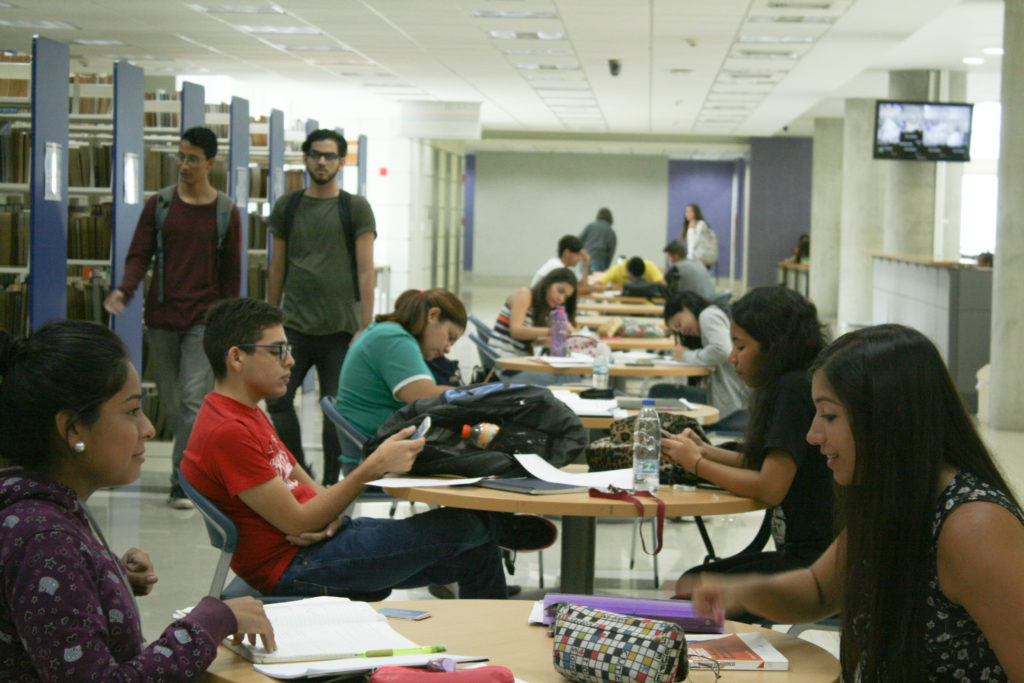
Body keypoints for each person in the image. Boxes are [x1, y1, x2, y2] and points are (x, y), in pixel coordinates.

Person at [686, 325, 1024, 681]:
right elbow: (817, 591)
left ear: (888, 418)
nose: (813, 435)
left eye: (829, 416)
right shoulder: (893, 498)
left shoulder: (974, 526)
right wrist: (738, 591)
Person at [184, 298, 554, 600]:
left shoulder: (247, 413)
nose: (291, 361)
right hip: (293, 568)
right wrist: (372, 467)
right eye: (277, 351)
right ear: (236, 357)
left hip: (320, 542)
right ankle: (496, 524)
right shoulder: (227, 430)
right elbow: (297, 521)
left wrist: (327, 519)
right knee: (463, 524)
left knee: (477, 551)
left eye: (289, 349)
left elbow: (305, 487)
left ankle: (490, 658)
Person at [0, 320, 273, 679]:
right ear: (74, 430)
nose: (148, 428)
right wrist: (208, 622)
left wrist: (106, 578)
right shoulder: (46, 540)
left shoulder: (41, 517)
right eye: (131, 411)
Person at [104, 125, 241, 509]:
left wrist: (228, 328)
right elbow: (139, 255)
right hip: (162, 319)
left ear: (209, 163)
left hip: (204, 321)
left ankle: (183, 483)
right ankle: (195, 473)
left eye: (192, 158)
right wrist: (125, 290)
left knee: (193, 402)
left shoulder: (226, 211)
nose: (183, 165)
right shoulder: (160, 205)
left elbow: (231, 277)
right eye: (180, 157)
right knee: (173, 401)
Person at [661, 286, 833, 588]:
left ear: (773, 346)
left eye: (740, 347)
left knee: (694, 587)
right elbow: (768, 466)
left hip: (814, 564)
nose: (731, 357)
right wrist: (705, 451)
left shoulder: (793, 391)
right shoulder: (797, 380)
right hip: (811, 555)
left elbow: (769, 488)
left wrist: (698, 464)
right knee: (692, 583)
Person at [265, 129, 376, 486]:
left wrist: (366, 325)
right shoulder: (288, 206)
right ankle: (300, 477)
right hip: (293, 326)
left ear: (342, 162)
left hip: (340, 330)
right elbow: (277, 267)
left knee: (334, 412)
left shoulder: (354, 207)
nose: (322, 162)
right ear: (306, 159)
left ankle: (331, 484)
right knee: (278, 401)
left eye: (330, 156)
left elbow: (365, 269)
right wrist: (269, 321)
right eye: (316, 155)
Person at [336, 288, 470, 439]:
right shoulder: (394, 339)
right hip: (376, 448)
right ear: (433, 315)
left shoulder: (386, 330)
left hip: (377, 440)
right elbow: (426, 397)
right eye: (450, 337)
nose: (447, 349)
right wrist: (474, 394)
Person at [649, 292, 750, 432]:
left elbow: (722, 351)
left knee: (658, 393)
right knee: (659, 392)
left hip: (734, 409)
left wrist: (686, 355)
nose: (682, 331)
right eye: (677, 330)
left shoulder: (708, 315)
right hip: (739, 403)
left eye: (679, 324)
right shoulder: (714, 315)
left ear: (686, 307)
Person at [490, 268, 577, 359]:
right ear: (549, 283)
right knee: (567, 373)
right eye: (560, 291)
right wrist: (552, 331)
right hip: (505, 360)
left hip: (519, 360)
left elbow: (535, 340)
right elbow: (515, 331)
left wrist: (563, 339)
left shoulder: (545, 307)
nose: (561, 299)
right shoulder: (525, 294)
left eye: (566, 297)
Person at [579, 207, 617, 272]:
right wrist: (606, 267)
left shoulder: (590, 226)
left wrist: (580, 254)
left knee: (583, 279)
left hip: (585, 258)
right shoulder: (611, 232)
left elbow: (578, 240)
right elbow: (610, 252)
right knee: (595, 280)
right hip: (599, 260)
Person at [680, 203, 718, 267]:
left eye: (690, 211)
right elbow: (690, 246)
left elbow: (695, 242)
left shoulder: (701, 224)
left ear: (696, 213)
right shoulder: (689, 225)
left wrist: (691, 229)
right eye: (686, 211)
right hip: (694, 257)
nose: (687, 214)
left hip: (703, 256)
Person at [599, 255, 665, 289]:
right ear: (628, 273)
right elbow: (598, 284)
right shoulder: (617, 270)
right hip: (622, 305)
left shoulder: (649, 266)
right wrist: (610, 287)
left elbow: (664, 285)